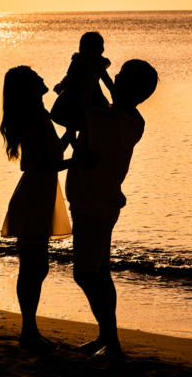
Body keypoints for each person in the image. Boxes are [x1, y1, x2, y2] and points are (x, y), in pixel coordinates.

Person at [66, 59, 158, 358]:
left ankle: (109, 339)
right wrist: (101, 74)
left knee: (85, 274)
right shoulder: (134, 120)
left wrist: (84, 71)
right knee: (100, 272)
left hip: (90, 203)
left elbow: (64, 112)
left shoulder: (103, 117)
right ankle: (110, 341)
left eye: (119, 77)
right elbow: (114, 99)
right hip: (105, 203)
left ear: (126, 86)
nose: (114, 79)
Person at [0, 65, 75, 353]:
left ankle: (29, 330)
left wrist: (69, 135)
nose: (42, 78)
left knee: (36, 266)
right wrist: (77, 162)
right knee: (33, 266)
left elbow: (52, 153)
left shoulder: (38, 114)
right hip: (34, 194)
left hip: (40, 193)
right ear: (28, 88)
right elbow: (42, 163)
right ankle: (28, 331)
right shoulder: (32, 117)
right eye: (35, 78)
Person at [51, 31, 114, 131]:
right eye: (100, 46)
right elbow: (108, 83)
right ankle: (76, 139)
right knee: (82, 126)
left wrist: (61, 86)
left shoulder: (90, 63)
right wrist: (61, 86)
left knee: (76, 127)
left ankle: (75, 139)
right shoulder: (88, 63)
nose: (102, 49)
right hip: (78, 100)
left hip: (82, 100)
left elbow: (109, 83)